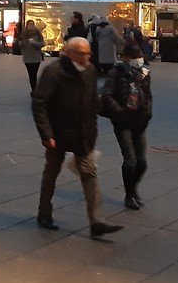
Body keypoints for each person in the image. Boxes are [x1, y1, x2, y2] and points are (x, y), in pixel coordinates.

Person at [32, 36, 121, 239]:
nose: (86, 57)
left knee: (90, 174)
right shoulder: (54, 72)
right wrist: (46, 134)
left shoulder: (90, 70)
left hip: (82, 133)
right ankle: (44, 213)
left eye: (88, 53)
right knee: (51, 172)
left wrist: (93, 126)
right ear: (69, 53)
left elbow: (93, 100)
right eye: (82, 54)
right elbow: (39, 104)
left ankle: (97, 221)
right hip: (57, 133)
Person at [102, 44, 153, 210]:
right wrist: (119, 111)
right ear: (126, 58)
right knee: (130, 159)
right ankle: (129, 194)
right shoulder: (116, 72)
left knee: (142, 162)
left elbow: (148, 96)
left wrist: (147, 113)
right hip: (123, 121)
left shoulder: (144, 73)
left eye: (140, 57)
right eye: (135, 57)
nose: (138, 60)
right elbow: (107, 95)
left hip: (140, 121)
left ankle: (132, 188)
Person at [19, 20, 45, 90]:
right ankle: (33, 88)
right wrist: (23, 42)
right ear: (27, 25)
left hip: (36, 57)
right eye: (30, 24)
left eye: (32, 24)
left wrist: (34, 43)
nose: (31, 26)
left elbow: (42, 44)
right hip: (27, 57)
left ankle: (34, 89)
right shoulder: (24, 34)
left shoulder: (37, 33)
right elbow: (20, 45)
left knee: (34, 74)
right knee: (31, 74)